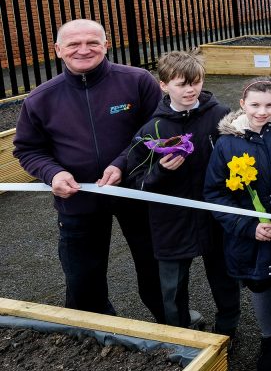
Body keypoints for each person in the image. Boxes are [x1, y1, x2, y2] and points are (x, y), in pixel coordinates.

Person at [13, 19, 165, 323]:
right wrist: (52, 173)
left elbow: (158, 130)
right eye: (73, 44)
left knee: (156, 267)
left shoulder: (136, 81)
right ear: (58, 50)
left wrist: (122, 163)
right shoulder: (41, 98)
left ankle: (173, 322)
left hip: (137, 192)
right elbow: (28, 149)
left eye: (93, 42)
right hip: (78, 199)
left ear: (106, 45)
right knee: (83, 279)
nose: (84, 50)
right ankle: (97, 332)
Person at [127, 50, 241, 337]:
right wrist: (161, 171)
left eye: (196, 82)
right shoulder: (151, 129)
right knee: (173, 287)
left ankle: (228, 331)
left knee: (225, 278)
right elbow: (136, 182)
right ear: (164, 85)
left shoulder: (222, 116)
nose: (190, 90)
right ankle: (182, 338)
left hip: (216, 215)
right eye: (181, 84)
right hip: (171, 220)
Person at [204, 78, 271, 371]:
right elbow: (215, 193)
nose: (262, 112)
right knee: (258, 282)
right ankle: (268, 338)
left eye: (269, 105)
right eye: (255, 105)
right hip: (250, 232)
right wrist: (249, 227)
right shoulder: (226, 143)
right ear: (242, 104)